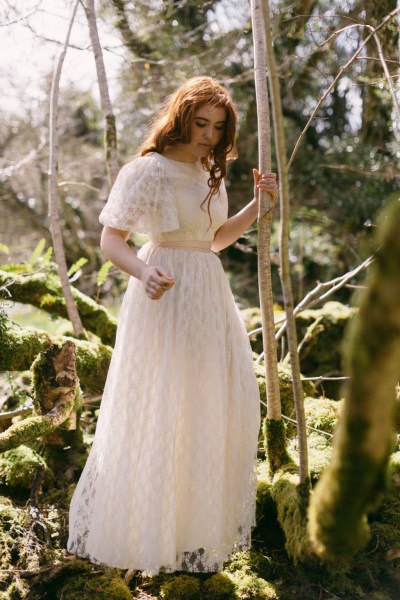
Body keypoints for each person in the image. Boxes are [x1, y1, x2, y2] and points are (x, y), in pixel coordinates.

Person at [67, 76, 278, 575]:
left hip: (208, 288)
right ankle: (145, 537)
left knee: (209, 403)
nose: (208, 134)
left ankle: (193, 532)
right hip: (162, 290)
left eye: (218, 126)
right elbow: (111, 240)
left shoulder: (212, 170)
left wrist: (257, 205)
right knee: (162, 403)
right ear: (181, 118)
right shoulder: (147, 170)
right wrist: (143, 272)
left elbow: (214, 240)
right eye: (200, 123)